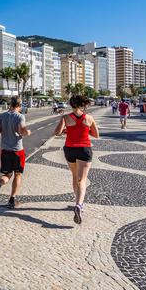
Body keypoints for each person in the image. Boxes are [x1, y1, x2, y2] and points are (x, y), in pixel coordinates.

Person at [54, 95, 99, 224]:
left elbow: (57, 133)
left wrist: (67, 130)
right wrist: (85, 130)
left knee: (75, 177)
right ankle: (79, 205)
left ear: (71, 104)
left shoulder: (66, 118)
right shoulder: (89, 118)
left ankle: (77, 202)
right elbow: (96, 134)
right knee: (82, 180)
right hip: (84, 149)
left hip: (70, 149)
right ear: (82, 104)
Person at [0, 96, 31, 209]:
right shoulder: (20, 116)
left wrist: (6, 129)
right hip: (17, 150)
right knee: (17, 174)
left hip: (4, 150)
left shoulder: (3, 115)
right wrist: (28, 132)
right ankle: (12, 200)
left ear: (10, 104)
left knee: (7, 174)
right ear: (19, 105)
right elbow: (22, 130)